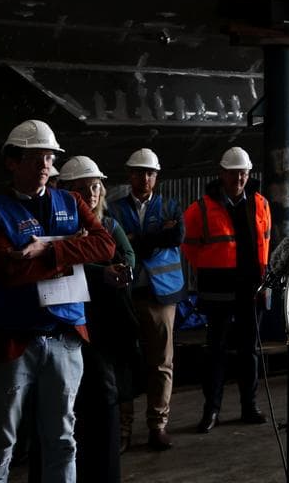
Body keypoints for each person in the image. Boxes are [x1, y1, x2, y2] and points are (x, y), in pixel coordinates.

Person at [0, 119, 115, 483]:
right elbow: (7, 271)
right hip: (11, 341)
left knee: (62, 440)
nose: (44, 166)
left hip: (64, 337)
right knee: (0, 443)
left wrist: (48, 249)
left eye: (49, 158)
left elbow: (105, 246)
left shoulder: (71, 201)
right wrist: (72, 249)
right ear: (12, 162)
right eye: (35, 159)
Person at [59, 156, 138, 483]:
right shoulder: (61, 229)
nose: (91, 193)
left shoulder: (109, 225)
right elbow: (63, 262)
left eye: (95, 187)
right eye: (83, 188)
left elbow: (128, 257)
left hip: (104, 320)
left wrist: (111, 269)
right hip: (72, 318)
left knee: (105, 390)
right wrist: (98, 268)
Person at [182, 146, 272, 434]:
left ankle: (250, 407)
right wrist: (212, 269)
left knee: (249, 351)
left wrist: (262, 279)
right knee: (215, 352)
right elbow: (189, 247)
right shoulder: (200, 208)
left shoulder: (260, 204)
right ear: (222, 174)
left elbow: (266, 241)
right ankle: (212, 411)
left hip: (251, 289)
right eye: (233, 174)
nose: (239, 179)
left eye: (243, 173)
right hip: (217, 291)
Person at [110, 147, 187, 451]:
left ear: (156, 176)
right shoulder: (114, 210)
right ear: (130, 175)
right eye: (140, 172)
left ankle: (158, 425)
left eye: (150, 173)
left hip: (162, 294)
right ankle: (123, 429)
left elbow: (176, 236)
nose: (145, 178)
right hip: (125, 295)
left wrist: (135, 239)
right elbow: (113, 247)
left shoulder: (170, 206)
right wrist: (155, 237)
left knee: (161, 362)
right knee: (124, 362)